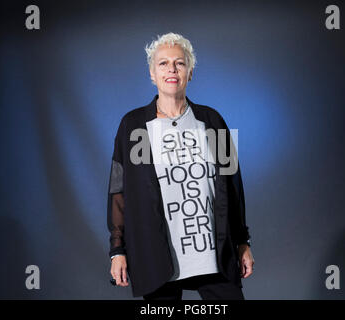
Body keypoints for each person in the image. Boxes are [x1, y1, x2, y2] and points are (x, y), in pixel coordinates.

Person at [107, 32, 254, 300]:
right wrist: (118, 250)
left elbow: (234, 186)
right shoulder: (134, 125)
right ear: (152, 74)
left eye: (180, 63)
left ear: (190, 72)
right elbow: (118, 191)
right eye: (163, 63)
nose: (171, 70)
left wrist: (243, 241)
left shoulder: (212, 121)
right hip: (157, 257)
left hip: (214, 256)